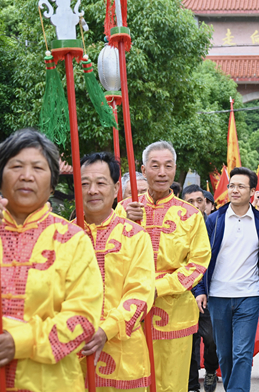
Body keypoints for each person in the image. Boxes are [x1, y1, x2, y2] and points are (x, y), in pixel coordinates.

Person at [0, 129, 102, 391]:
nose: (26, 176)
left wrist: (20, 341)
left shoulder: (73, 239)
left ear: (52, 183)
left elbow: (83, 319)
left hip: (52, 382)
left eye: (38, 168)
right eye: (16, 166)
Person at [116, 141, 211, 392]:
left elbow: (198, 263)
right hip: (131, 312)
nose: (162, 173)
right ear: (143, 170)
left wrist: (159, 287)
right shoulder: (125, 209)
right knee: (133, 381)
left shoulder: (191, 215)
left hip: (174, 313)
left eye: (168, 166)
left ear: (175, 169)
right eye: (155, 166)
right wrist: (125, 224)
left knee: (171, 384)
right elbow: (112, 256)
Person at [78, 152, 156, 389]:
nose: (92, 190)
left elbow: (140, 293)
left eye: (101, 183)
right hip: (74, 352)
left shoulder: (136, 236)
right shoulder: (63, 237)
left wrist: (106, 330)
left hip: (124, 355)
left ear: (115, 190)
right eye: (84, 184)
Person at [192, 167, 259, 392]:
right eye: (231, 186)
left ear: (252, 191)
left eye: (241, 186)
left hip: (249, 296)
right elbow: (201, 257)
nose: (234, 190)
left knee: (242, 353)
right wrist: (200, 289)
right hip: (218, 296)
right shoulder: (214, 220)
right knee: (225, 354)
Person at [183, 184, 219, 392]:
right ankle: (191, 384)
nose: (196, 205)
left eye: (200, 201)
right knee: (189, 341)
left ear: (206, 203)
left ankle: (211, 370)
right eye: (190, 201)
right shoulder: (177, 227)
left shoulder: (213, 225)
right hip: (184, 291)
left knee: (211, 339)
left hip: (208, 292)